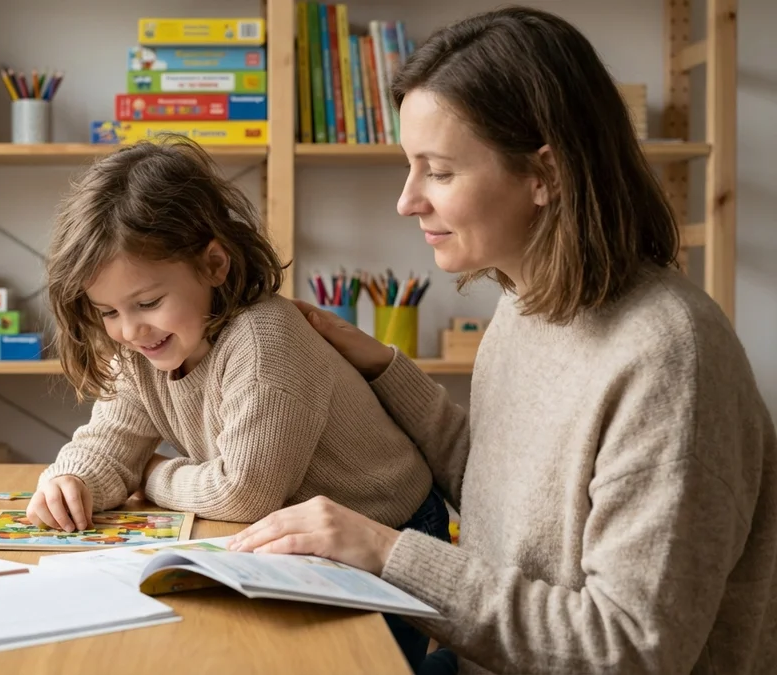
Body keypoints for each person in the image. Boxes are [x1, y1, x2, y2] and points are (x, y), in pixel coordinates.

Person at [228, 6, 777, 675]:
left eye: (438, 171)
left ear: (544, 173)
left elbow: (630, 648)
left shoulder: (670, 358)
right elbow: (504, 493)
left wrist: (385, 552)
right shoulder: (528, 302)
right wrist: (384, 371)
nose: (406, 201)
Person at [29, 136, 450, 666]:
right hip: (302, 536)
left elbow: (245, 492)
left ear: (215, 264)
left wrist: (150, 476)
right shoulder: (144, 347)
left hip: (388, 530)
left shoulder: (264, 337)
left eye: (148, 302)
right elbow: (112, 438)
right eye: (108, 312)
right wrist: (73, 479)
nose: (130, 329)